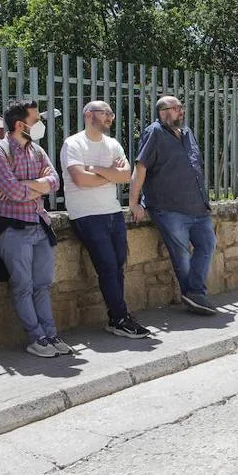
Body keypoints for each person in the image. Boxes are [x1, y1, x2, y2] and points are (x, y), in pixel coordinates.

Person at [0, 98, 74, 358]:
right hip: (12, 228)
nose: (40, 124)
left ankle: (50, 334)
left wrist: (26, 183)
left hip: (38, 224)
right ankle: (36, 337)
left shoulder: (37, 150)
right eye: (36, 120)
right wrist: (37, 188)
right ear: (19, 124)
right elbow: (12, 192)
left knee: (43, 284)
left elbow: (55, 181)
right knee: (23, 285)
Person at [62, 100, 150, 338]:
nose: (110, 117)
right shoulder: (74, 143)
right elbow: (80, 180)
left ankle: (116, 317)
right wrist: (108, 174)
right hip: (86, 214)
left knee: (118, 265)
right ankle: (120, 317)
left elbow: (125, 176)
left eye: (111, 113)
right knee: (108, 267)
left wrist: (95, 169)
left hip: (112, 212)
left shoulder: (112, 144)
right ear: (89, 115)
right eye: (105, 113)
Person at [129, 96, 218, 316]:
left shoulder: (187, 133)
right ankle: (195, 293)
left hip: (198, 206)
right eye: (176, 108)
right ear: (163, 112)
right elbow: (141, 168)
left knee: (207, 245)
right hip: (169, 208)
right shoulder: (155, 133)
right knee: (181, 254)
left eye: (181, 107)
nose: (181, 111)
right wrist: (133, 202)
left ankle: (193, 293)